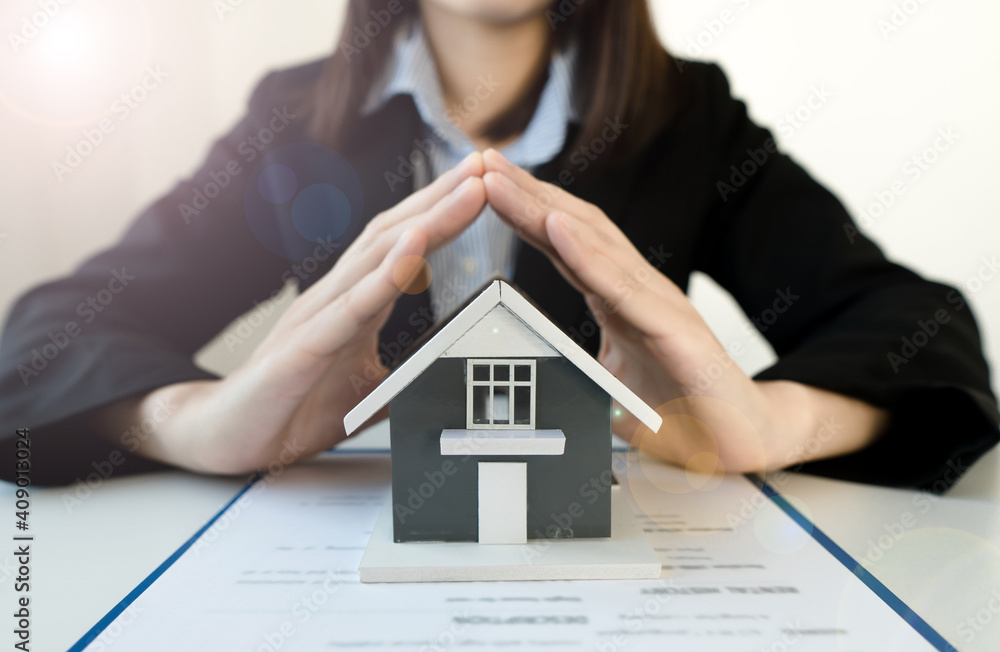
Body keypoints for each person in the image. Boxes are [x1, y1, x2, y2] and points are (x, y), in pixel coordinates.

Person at [0, 0, 996, 488]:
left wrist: (766, 424)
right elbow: (44, 337)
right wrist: (194, 423)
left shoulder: (690, 116)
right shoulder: (295, 120)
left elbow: (924, 331)